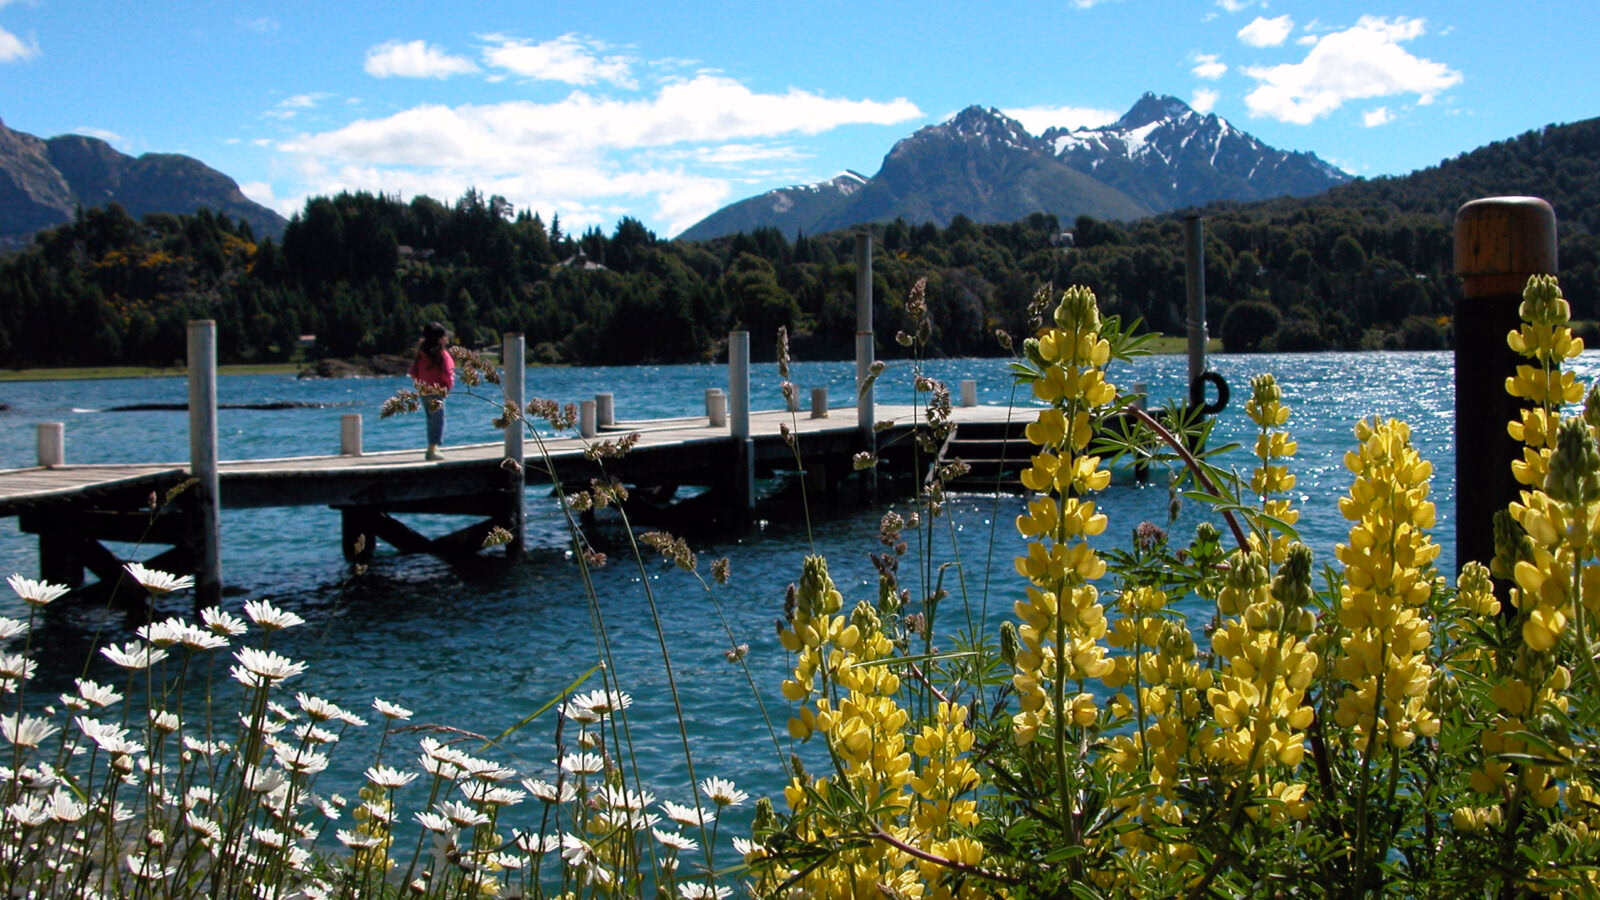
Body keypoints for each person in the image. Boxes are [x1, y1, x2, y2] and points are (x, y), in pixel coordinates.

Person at [408, 322, 455, 460]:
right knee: (438, 419)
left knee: (431, 419)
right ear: (441, 338)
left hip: (424, 391)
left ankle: (432, 447)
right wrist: (448, 386)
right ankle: (433, 449)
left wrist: (420, 383)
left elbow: (413, 371)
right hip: (438, 390)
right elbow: (448, 372)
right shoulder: (442, 355)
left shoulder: (421, 354)